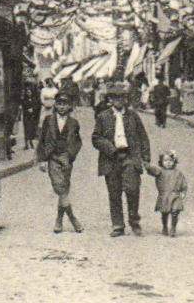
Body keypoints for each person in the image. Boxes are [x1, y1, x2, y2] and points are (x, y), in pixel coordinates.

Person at [92, 81, 152, 237]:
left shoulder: (133, 116)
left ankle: (134, 221)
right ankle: (118, 225)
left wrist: (145, 158)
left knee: (132, 190)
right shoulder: (103, 117)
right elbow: (96, 138)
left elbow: (143, 137)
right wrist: (110, 149)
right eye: (115, 98)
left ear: (126, 99)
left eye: (121, 98)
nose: (118, 101)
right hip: (111, 159)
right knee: (114, 192)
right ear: (110, 100)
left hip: (130, 157)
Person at [36, 91, 84, 233]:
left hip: (66, 158)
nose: (62, 107)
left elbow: (77, 142)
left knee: (64, 188)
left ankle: (59, 220)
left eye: (65, 104)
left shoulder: (73, 123)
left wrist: (70, 155)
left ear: (70, 106)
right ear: (55, 105)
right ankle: (73, 219)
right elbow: (42, 140)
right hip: (52, 157)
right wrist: (42, 159)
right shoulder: (48, 120)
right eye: (59, 104)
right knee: (59, 187)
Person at [147, 151, 189, 237]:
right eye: (165, 160)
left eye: (171, 160)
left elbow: (183, 182)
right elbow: (151, 170)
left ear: (174, 161)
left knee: (175, 212)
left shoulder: (178, 173)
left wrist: (183, 191)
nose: (168, 163)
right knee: (164, 213)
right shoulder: (160, 171)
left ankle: (173, 227)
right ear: (161, 162)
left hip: (175, 195)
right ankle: (165, 227)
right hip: (164, 195)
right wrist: (147, 164)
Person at [21, 81, 42, 150]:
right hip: (26, 116)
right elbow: (23, 107)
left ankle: (31, 142)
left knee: (31, 129)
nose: (28, 93)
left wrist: (33, 109)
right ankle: (26, 143)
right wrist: (27, 110)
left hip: (32, 116)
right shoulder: (24, 100)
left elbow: (37, 106)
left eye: (29, 92)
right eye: (27, 92)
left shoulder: (34, 99)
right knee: (26, 129)